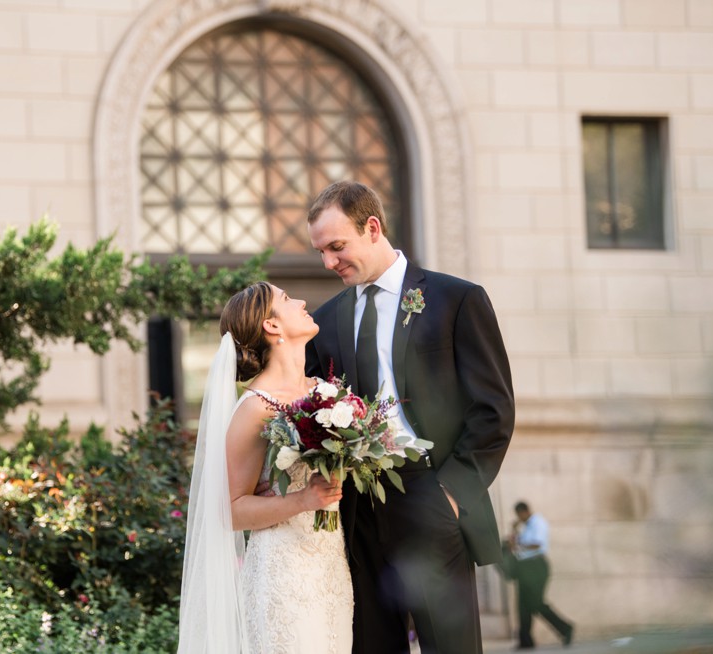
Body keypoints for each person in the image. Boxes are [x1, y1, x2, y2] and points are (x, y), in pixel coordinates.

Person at [304, 180, 515, 654]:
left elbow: (493, 409)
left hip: (431, 496)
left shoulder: (456, 299)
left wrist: (451, 494)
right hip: (358, 513)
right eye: (320, 252)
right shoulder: (328, 320)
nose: (328, 263)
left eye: (337, 247)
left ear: (372, 227)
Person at [177, 281, 354, 654]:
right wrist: (304, 499)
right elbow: (230, 510)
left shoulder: (327, 394)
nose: (303, 301)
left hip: (331, 569)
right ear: (272, 326)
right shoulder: (255, 408)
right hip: (282, 575)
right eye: (288, 300)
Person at [509, 501, 574, 649]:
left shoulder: (538, 522)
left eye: (519, 515)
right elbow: (518, 545)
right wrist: (514, 532)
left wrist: (518, 543)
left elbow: (537, 544)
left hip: (536, 566)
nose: (519, 518)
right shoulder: (526, 527)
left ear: (524, 512)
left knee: (535, 603)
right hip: (525, 567)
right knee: (523, 605)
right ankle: (525, 641)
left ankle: (565, 628)